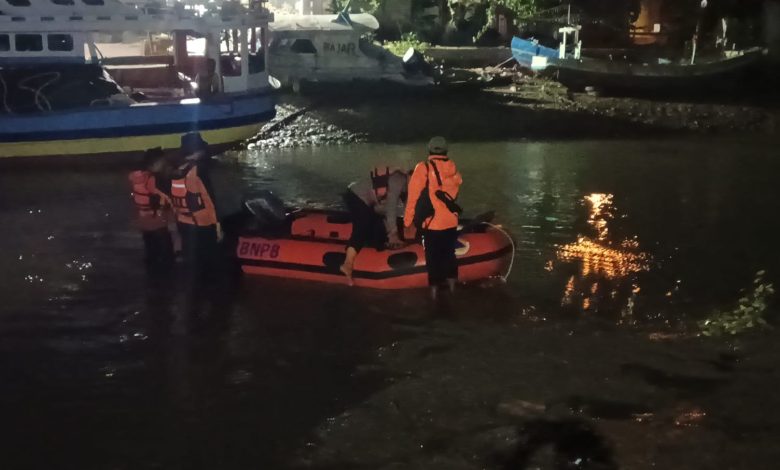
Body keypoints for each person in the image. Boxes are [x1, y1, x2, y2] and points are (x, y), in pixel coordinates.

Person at [403, 137, 463, 300]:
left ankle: (434, 296)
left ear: (429, 150)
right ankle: (452, 291)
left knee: (433, 259)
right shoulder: (453, 168)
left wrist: (407, 222)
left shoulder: (423, 168)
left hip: (432, 223)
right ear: (445, 151)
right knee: (450, 255)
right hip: (451, 221)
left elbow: (412, 198)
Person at [340, 165, 409, 285]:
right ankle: (348, 264)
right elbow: (391, 208)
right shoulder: (399, 181)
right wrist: (393, 234)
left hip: (368, 199)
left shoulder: (404, 185)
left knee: (376, 222)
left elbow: (387, 208)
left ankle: (373, 248)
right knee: (362, 226)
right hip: (356, 196)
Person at [168, 132, 221, 282]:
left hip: (184, 222)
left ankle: (192, 291)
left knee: (192, 261)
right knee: (208, 261)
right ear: (198, 150)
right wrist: (217, 226)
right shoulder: (199, 170)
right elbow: (209, 200)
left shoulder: (177, 170)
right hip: (202, 224)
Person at [128, 147, 175, 271]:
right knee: (166, 253)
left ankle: (151, 273)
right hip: (157, 221)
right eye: (162, 162)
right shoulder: (154, 179)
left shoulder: (136, 177)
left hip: (143, 220)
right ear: (156, 163)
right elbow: (164, 199)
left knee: (150, 251)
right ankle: (166, 278)